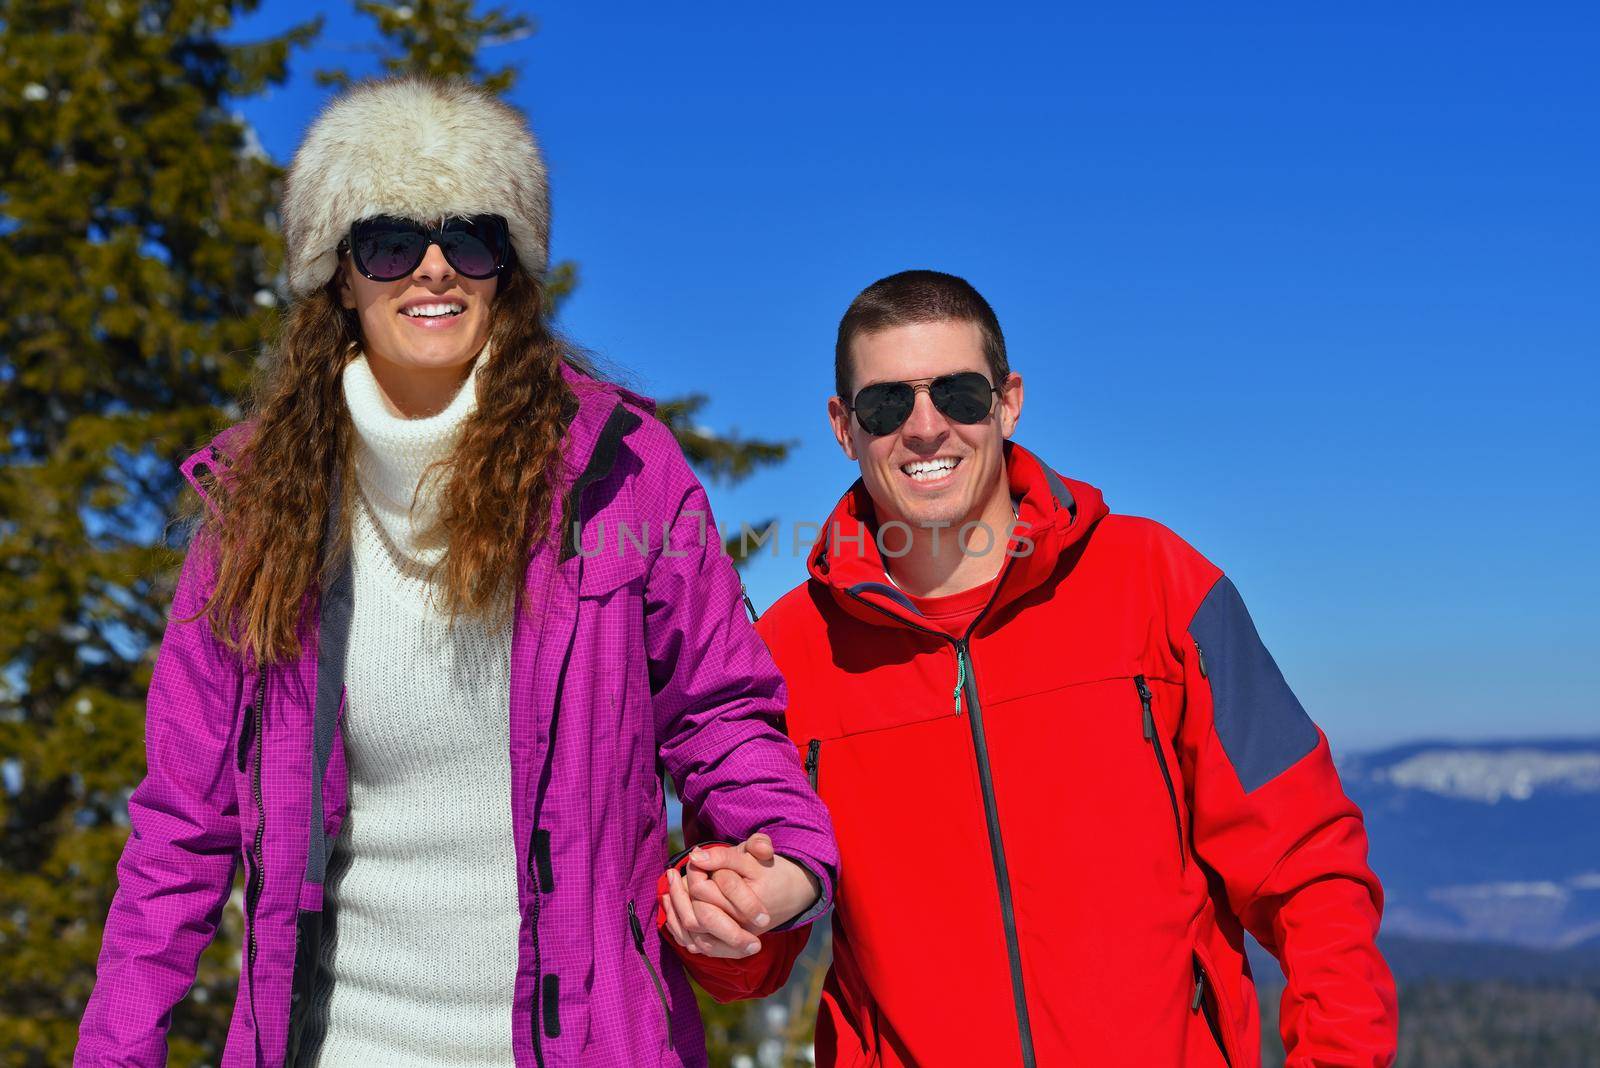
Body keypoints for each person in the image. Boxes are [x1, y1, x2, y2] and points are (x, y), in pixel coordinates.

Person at [75, 76, 836, 1068]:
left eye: (470, 238)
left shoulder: (621, 470)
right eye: (390, 240)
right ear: (341, 275)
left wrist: (790, 860)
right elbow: (183, 825)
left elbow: (717, 713)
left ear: (503, 268)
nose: (433, 270)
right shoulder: (252, 507)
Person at [660, 270, 1398, 1066]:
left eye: (960, 394)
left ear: (1008, 400)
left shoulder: (1158, 585)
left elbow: (1309, 864)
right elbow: (749, 959)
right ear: (843, 426)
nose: (926, 427)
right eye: (886, 405)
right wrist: (723, 930)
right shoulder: (785, 654)